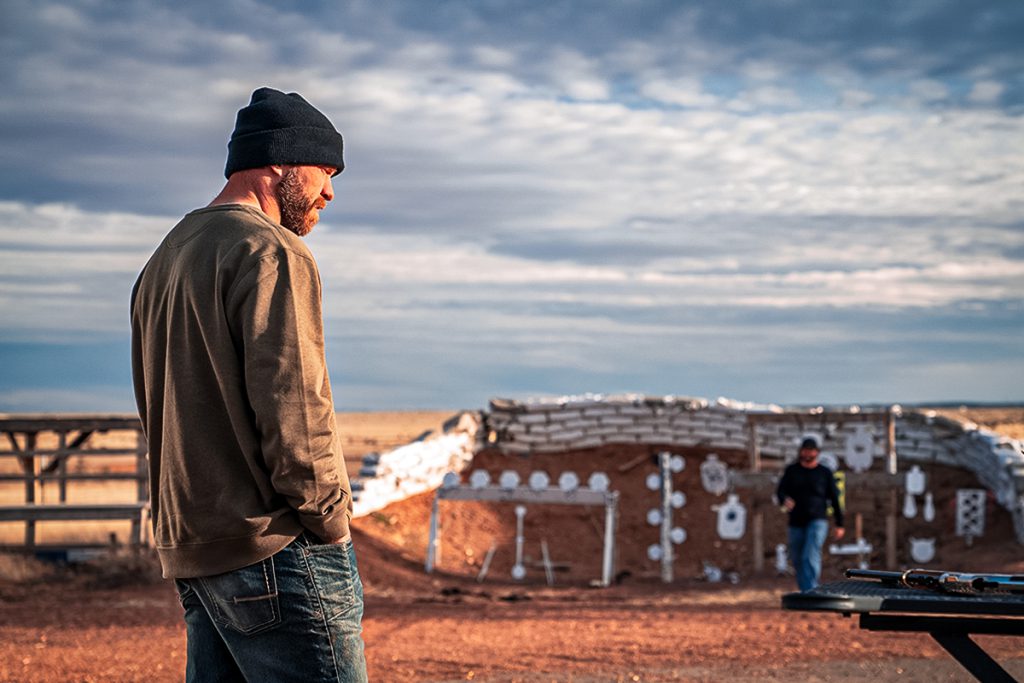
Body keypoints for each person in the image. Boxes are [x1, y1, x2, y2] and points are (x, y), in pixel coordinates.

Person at [131, 87, 366, 682]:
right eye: (324, 171)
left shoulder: (166, 257)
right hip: (274, 547)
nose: (330, 191)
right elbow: (296, 410)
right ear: (279, 163)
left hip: (197, 547)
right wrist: (332, 522)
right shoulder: (271, 251)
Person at [776, 437, 845, 592]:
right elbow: (780, 491)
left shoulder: (824, 473)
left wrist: (839, 523)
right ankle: (804, 590)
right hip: (796, 521)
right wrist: (784, 500)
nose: (807, 453)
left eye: (811, 450)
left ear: (817, 453)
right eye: (805, 450)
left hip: (817, 519)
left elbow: (835, 498)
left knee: (810, 553)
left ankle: (811, 590)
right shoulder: (792, 471)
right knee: (797, 557)